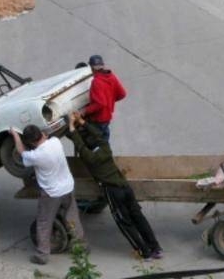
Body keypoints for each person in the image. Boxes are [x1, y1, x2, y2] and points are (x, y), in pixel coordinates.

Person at [66, 111, 163, 260]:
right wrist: (82, 122)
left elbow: (79, 145)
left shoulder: (89, 157)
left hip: (112, 191)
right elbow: (98, 136)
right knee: (138, 217)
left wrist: (71, 126)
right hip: (125, 187)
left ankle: (144, 252)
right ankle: (155, 247)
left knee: (124, 222)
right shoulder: (105, 148)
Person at [10, 125, 86, 264]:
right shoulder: (56, 142)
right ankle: (81, 245)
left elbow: (21, 152)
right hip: (68, 186)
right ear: (42, 135)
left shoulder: (36, 156)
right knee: (72, 216)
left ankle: (43, 254)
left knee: (44, 222)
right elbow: (47, 135)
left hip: (52, 193)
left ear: (31, 142)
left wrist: (15, 135)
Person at [82, 54, 126, 142]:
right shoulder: (111, 76)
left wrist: (85, 111)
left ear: (91, 67)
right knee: (104, 141)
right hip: (107, 117)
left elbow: (100, 103)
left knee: (95, 144)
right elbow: (122, 94)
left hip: (98, 119)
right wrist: (110, 101)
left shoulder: (96, 82)